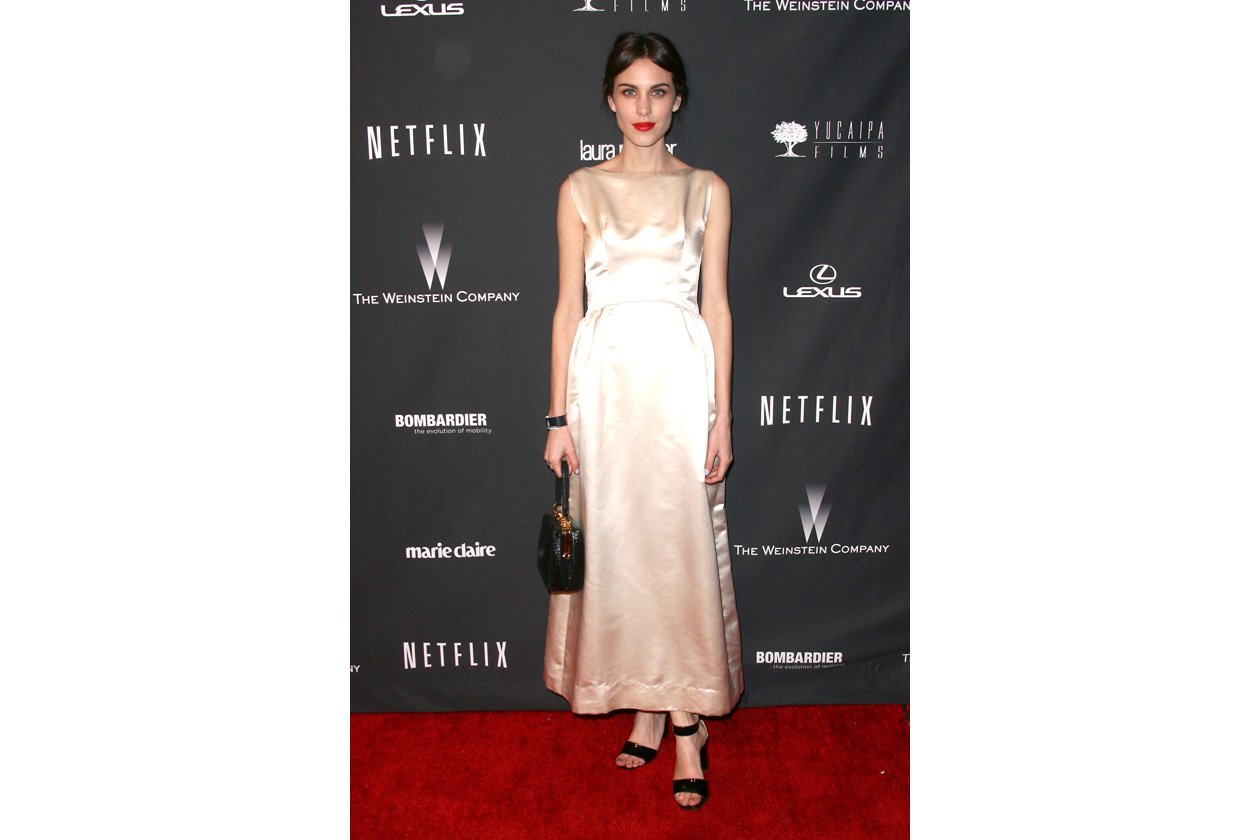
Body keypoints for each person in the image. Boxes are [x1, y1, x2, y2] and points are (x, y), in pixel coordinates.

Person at [542, 32, 743, 810]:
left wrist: (721, 417)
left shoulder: (707, 189)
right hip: (605, 387)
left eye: (659, 90)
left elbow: (717, 308)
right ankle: (649, 706)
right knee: (623, 547)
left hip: (680, 387)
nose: (644, 107)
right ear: (609, 99)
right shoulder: (580, 189)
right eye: (629, 91)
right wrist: (558, 417)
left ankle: (687, 719)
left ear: (678, 99)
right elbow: (568, 309)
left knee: (676, 548)